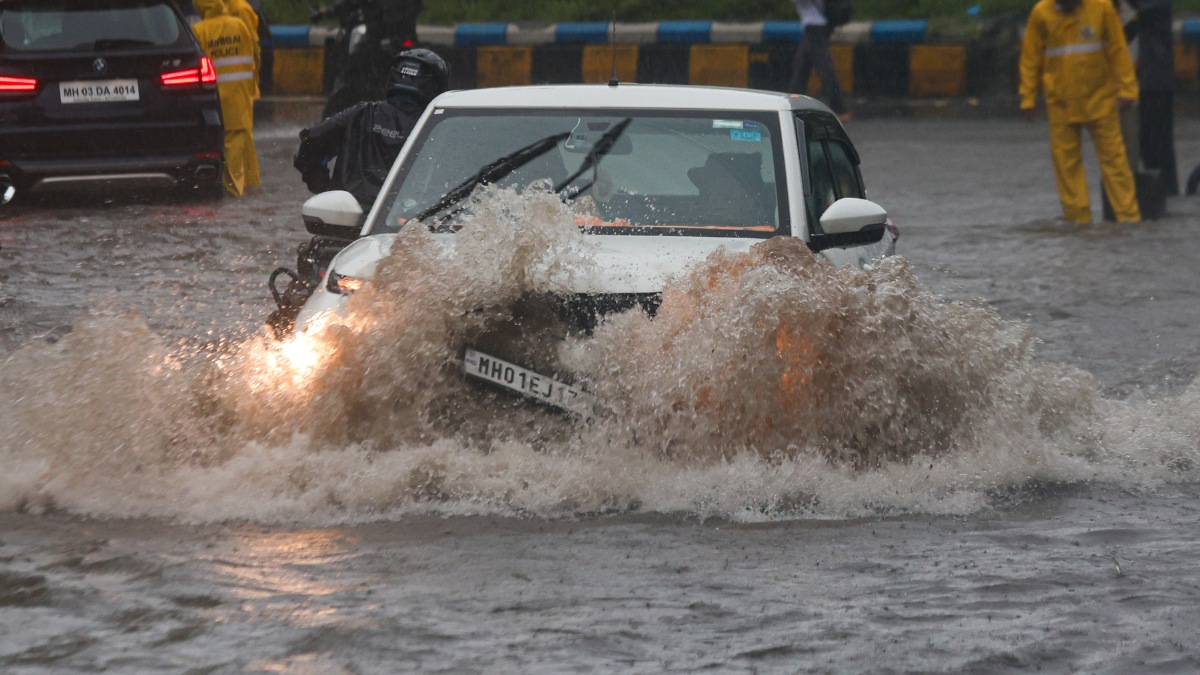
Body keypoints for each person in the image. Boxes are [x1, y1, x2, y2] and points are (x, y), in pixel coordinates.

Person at [1019, 0, 1141, 224]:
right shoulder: (1041, 14)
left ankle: (1129, 218)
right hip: (1061, 102)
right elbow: (1031, 57)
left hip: (1100, 99)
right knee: (1067, 165)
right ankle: (1078, 220)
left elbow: (1118, 49)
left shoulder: (1102, 8)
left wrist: (1127, 89)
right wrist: (1028, 96)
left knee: (1115, 163)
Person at [293, 48, 449, 208]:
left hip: (347, 221)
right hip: (404, 221)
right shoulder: (439, 126)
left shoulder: (359, 114)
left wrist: (325, 191)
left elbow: (310, 146)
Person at [192, 0, 261, 197]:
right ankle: (247, 188)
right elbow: (254, 54)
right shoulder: (238, 24)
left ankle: (233, 192)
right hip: (240, 94)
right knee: (240, 141)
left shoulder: (200, 30)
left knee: (225, 144)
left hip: (213, 96)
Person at [1125, 0, 1178, 195]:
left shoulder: (1155, 6)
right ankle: (1155, 194)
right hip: (1140, 84)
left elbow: (1143, 12)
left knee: (1158, 147)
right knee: (1146, 146)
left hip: (1155, 83)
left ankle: (1166, 192)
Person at [788, 0, 851, 123]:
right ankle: (792, 103)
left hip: (815, 26)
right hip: (814, 26)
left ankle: (839, 108)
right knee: (801, 66)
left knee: (824, 69)